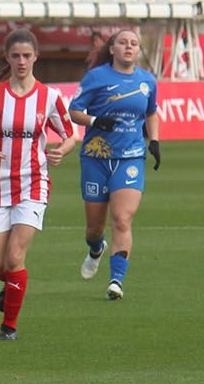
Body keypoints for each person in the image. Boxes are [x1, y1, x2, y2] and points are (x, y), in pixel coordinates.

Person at [0, 29, 82, 341]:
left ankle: (9, 327)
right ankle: (13, 284)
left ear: (36, 57)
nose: (21, 61)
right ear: (7, 57)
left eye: (27, 56)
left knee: (15, 257)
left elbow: (70, 134)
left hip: (33, 183)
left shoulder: (50, 97)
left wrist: (62, 150)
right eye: (15, 55)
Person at [68, 28, 159, 300]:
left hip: (130, 157)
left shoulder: (147, 81)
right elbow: (74, 111)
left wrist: (154, 140)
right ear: (112, 48)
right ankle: (96, 248)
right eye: (123, 43)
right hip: (96, 158)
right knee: (94, 228)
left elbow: (152, 112)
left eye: (134, 43)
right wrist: (95, 121)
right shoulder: (96, 77)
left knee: (122, 219)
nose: (129, 47)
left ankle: (116, 280)